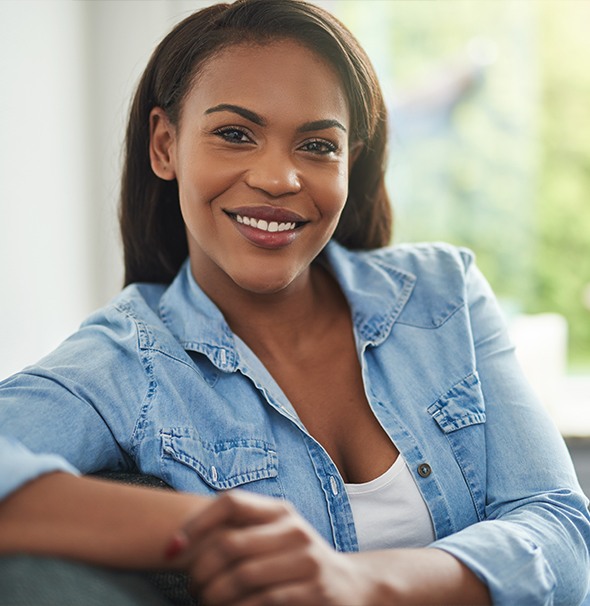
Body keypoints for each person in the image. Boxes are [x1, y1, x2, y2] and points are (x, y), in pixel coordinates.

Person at [0, 0, 588, 604]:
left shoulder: (443, 292)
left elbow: (564, 536)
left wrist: (358, 581)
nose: (279, 178)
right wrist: (213, 531)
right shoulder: (127, 362)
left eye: (317, 146)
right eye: (234, 134)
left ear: (349, 163)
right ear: (165, 145)